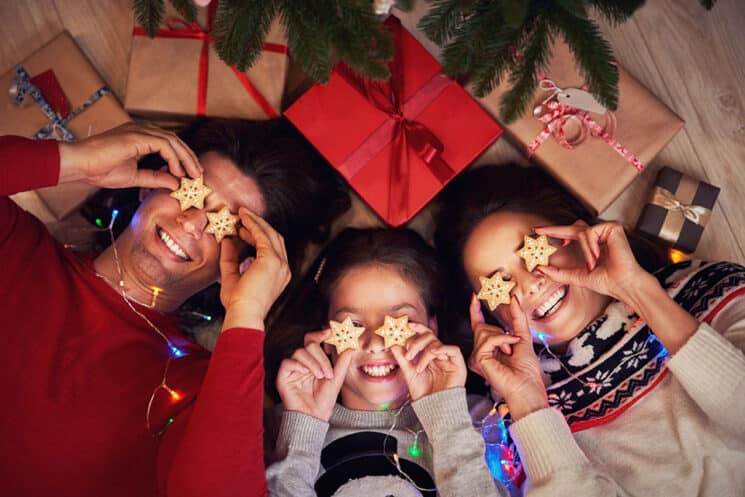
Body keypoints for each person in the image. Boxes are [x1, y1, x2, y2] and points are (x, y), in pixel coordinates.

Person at [0, 119, 347, 497]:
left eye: (224, 225)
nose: (193, 222)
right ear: (149, 184)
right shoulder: (16, 245)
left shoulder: (197, 391)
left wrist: (245, 314)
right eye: (191, 193)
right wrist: (77, 160)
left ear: (244, 265)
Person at [434, 164, 745, 497]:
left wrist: (639, 291)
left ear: (574, 235)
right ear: (489, 315)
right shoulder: (514, 427)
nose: (529, 284)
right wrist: (528, 404)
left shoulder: (710, 292)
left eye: (534, 251)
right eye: (501, 284)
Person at [265, 227, 503, 497]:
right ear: (327, 338)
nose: (376, 343)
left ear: (432, 327)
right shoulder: (282, 428)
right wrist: (300, 432)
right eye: (353, 324)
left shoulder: (476, 418)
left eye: (400, 322)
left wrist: (446, 418)